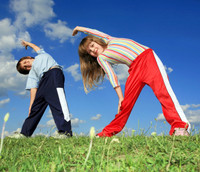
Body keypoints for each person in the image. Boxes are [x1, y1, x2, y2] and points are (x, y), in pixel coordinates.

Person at [72, 26, 190, 137]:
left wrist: (79, 28)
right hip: (134, 70)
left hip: (148, 59)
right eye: (90, 52)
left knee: (163, 92)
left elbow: (93, 31)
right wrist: (120, 98)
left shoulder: (109, 39)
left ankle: (180, 127)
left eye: (92, 45)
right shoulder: (101, 58)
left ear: (96, 41)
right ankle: (106, 133)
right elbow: (112, 76)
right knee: (125, 105)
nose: (93, 50)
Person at [12, 40, 72, 138]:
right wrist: (31, 105)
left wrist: (27, 43)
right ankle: (24, 133)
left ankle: (65, 132)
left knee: (58, 103)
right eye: (25, 67)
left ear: (29, 57)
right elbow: (33, 88)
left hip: (54, 73)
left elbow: (36, 47)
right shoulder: (32, 73)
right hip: (43, 82)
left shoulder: (41, 55)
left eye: (25, 62)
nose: (27, 65)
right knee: (35, 108)